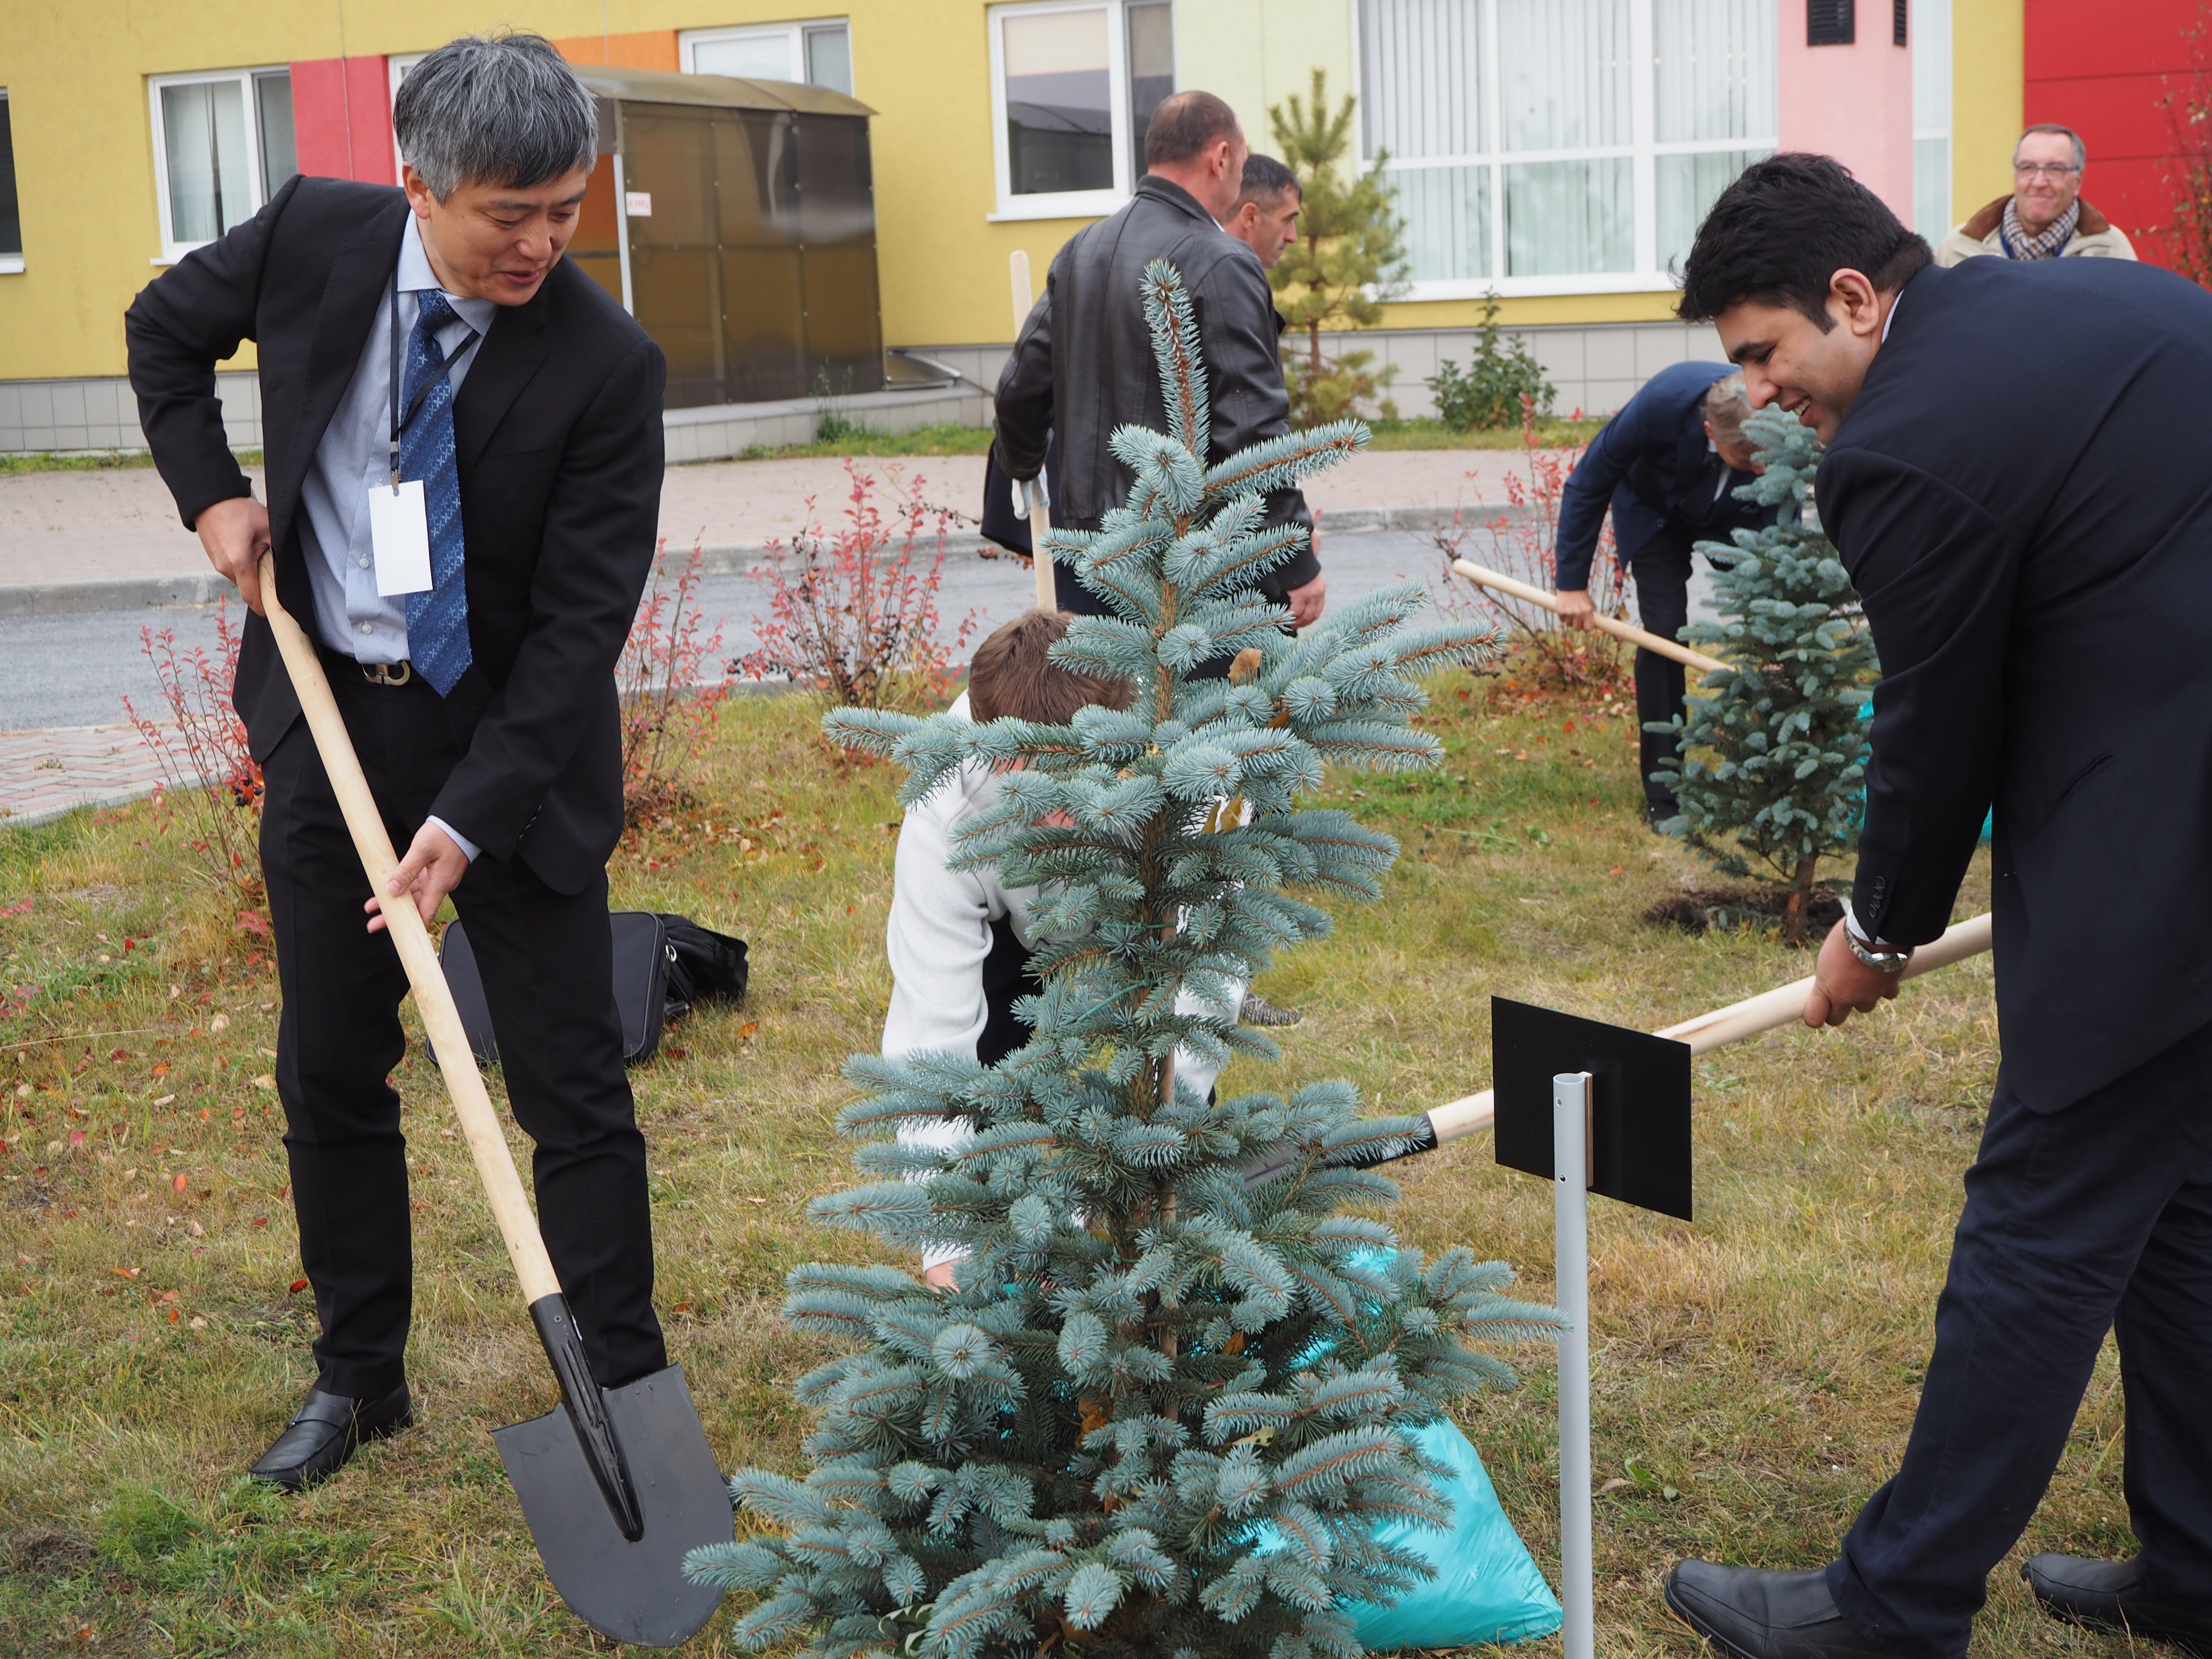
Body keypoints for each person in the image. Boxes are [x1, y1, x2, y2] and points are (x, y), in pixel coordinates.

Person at [1660, 150, 2212, 1659]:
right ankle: (2204, 1565)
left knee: (2042, 1225)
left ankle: (1891, 1609)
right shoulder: (2103, 310)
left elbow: (1936, 727)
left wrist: (1875, 934)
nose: (1762, 395)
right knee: (2178, 1213)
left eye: (1767, 354)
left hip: (2170, 858)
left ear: (1856, 295)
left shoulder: (1906, 439)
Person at [125, 35, 669, 1490]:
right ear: (418, 182)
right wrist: (213, 501)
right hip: (331, 721)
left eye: (567, 208)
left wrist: (468, 822)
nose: (543, 242)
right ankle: (360, 1383)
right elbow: (160, 333)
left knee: (571, 1086)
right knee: (332, 1069)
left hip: (515, 752)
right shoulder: (315, 235)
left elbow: (576, 634)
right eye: (511, 213)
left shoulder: (608, 367)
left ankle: (621, 1383)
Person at [883, 610, 1241, 1286]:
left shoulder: (1191, 777)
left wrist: (1144, 1159)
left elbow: (1205, 978)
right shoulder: (945, 812)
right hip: (1012, 936)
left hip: (1148, 919)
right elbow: (931, 1034)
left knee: (1168, 1077)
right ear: (988, 750)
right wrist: (947, 1253)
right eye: (1028, 784)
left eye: (1073, 783)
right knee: (995, 1084)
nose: (1056, 818)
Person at [995, 91, 1326, 633]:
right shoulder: (1224, 262)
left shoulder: (1081, 250)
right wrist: (1295, 560)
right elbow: (1253, 432)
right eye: (1241, 164)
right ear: (1220, 157)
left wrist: (1023, 464)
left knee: (1108, 710)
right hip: (1197, 568)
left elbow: (1018, 393)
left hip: (1090, 558)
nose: (1240, 174)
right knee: (1217, 718)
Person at [1553, 364, 1774, 823]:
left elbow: (1780, 516)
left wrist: (1774, 627)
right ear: (1709, 428)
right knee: (1665, 630)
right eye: (1747, 457)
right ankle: (1665, 792)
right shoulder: (1661, 405)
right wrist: (1571, 585)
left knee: (1773, 636)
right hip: (1654, 510)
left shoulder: (1773, 408)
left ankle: (1778, 776)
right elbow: (1589, 481)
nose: (1760, 466)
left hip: (1739, 517)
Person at [1935, 123, 2136, 265]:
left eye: (2055, 169)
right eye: (2028, 167)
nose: (2039, 182)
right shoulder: (1957, 249)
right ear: (2015, 174)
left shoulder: (2112, 249)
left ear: (2078, 181)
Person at [1225, 153, 1302, 270]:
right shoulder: (1222, 281)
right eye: (1287, 220)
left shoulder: (1196, 268)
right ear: (1250, 218)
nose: (1292, 237)